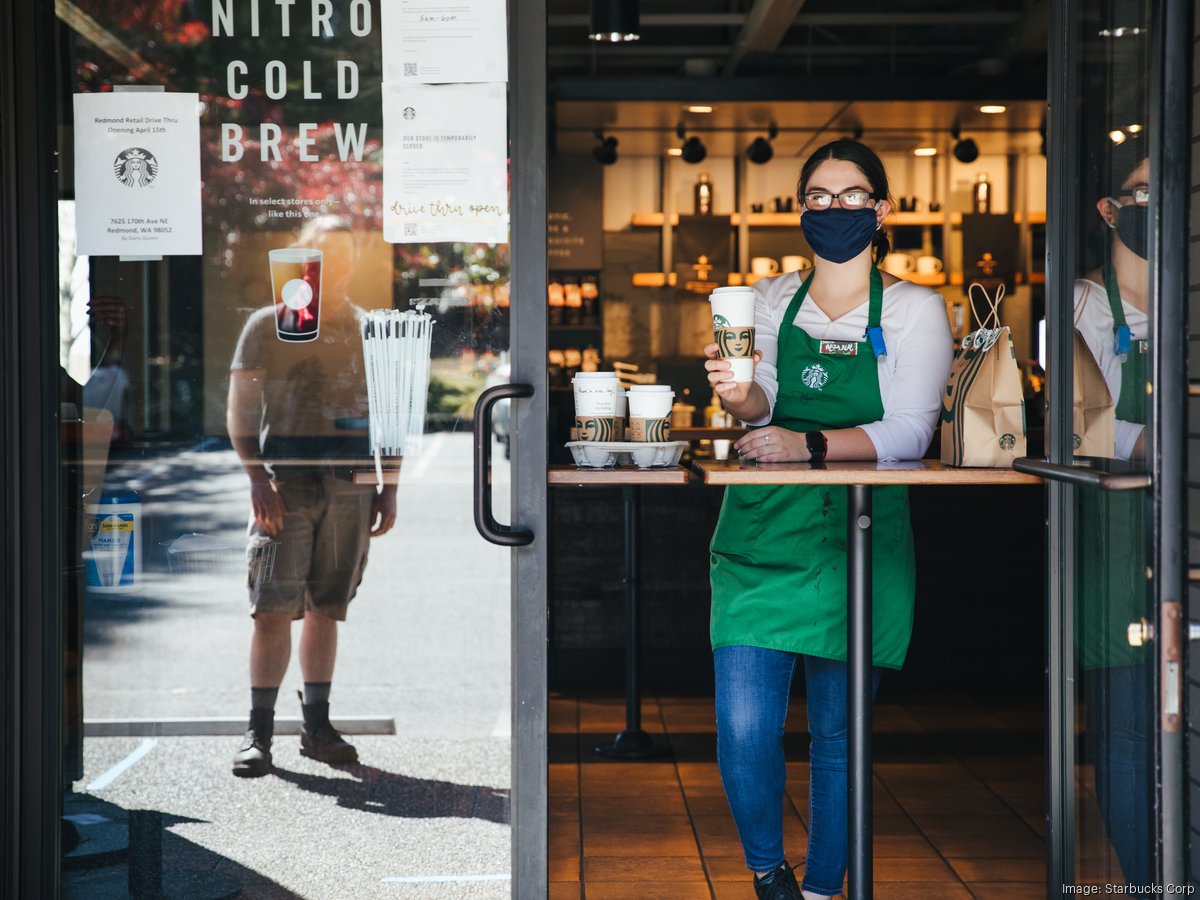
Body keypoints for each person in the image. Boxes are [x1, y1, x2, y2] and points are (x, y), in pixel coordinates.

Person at [703, 139, 953, 900]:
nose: (835, 210)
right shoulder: (770, 300)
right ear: (801, 210)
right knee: (744, 735)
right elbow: (762, 399)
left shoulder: (915, 309)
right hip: (761, 536)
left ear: (881, 211)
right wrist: (734, 389)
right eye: (819, 196)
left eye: (852, 197)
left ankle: (821, 889)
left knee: (839, 742)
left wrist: (806, 442)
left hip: (861, 538)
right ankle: (767, 873)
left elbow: (911, 432)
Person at [227, 217, 397, 778]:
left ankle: (316, 725)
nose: (337, 265)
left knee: (328, 606)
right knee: (271, 609)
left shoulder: (368, 327)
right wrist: (256, 477)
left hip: (350, 486)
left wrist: (389, 488)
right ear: (304, 257)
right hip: (284, 484)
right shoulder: (267, 325)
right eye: (325, 253)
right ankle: (258, 732)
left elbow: (391, 416)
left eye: (346, 255)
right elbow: (240, 410)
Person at [1072, 148, 1152, 884]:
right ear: (1109, 209)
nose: (1153, 205)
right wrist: (1158, 440)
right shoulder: (1083, 307)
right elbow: (1080, 428)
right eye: (1141, 191)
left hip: (1177, 535)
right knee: (1127, 734)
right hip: (1116, 538)